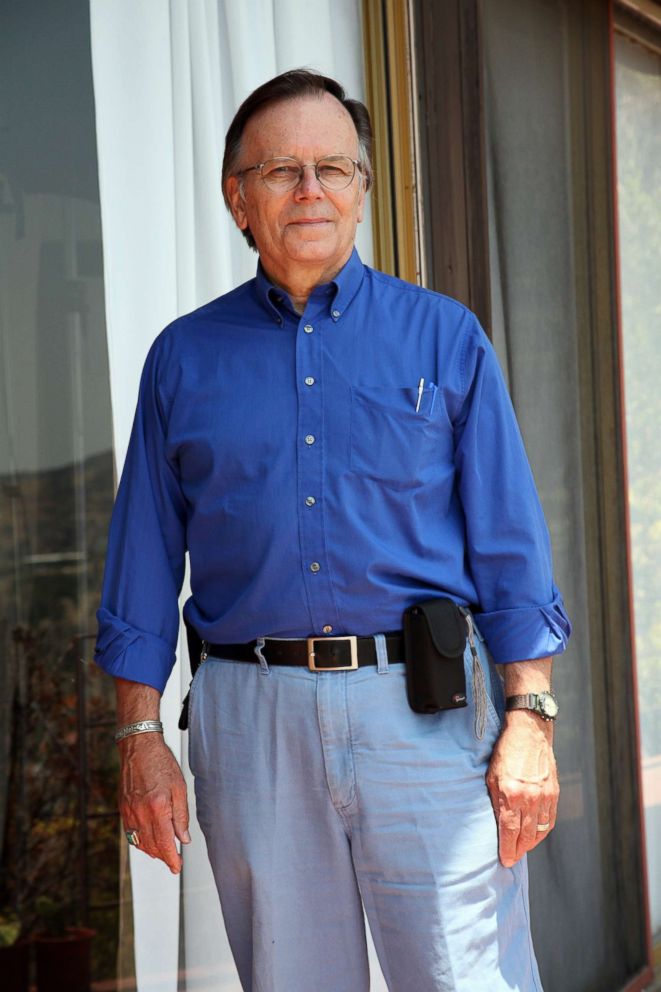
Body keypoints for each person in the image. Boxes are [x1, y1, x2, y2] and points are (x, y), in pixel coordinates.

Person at [95, 69, 571, 992]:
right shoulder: (182, 358)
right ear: (238, 198)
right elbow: (142, 565)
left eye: (332, 168)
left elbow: (510, 546)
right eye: (280, 172)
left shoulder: (445, 338)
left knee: (466, 978)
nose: (310, 191)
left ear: (361, 189)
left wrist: (530, 718)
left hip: (423, 720)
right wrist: (138, 737)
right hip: (251, 718)